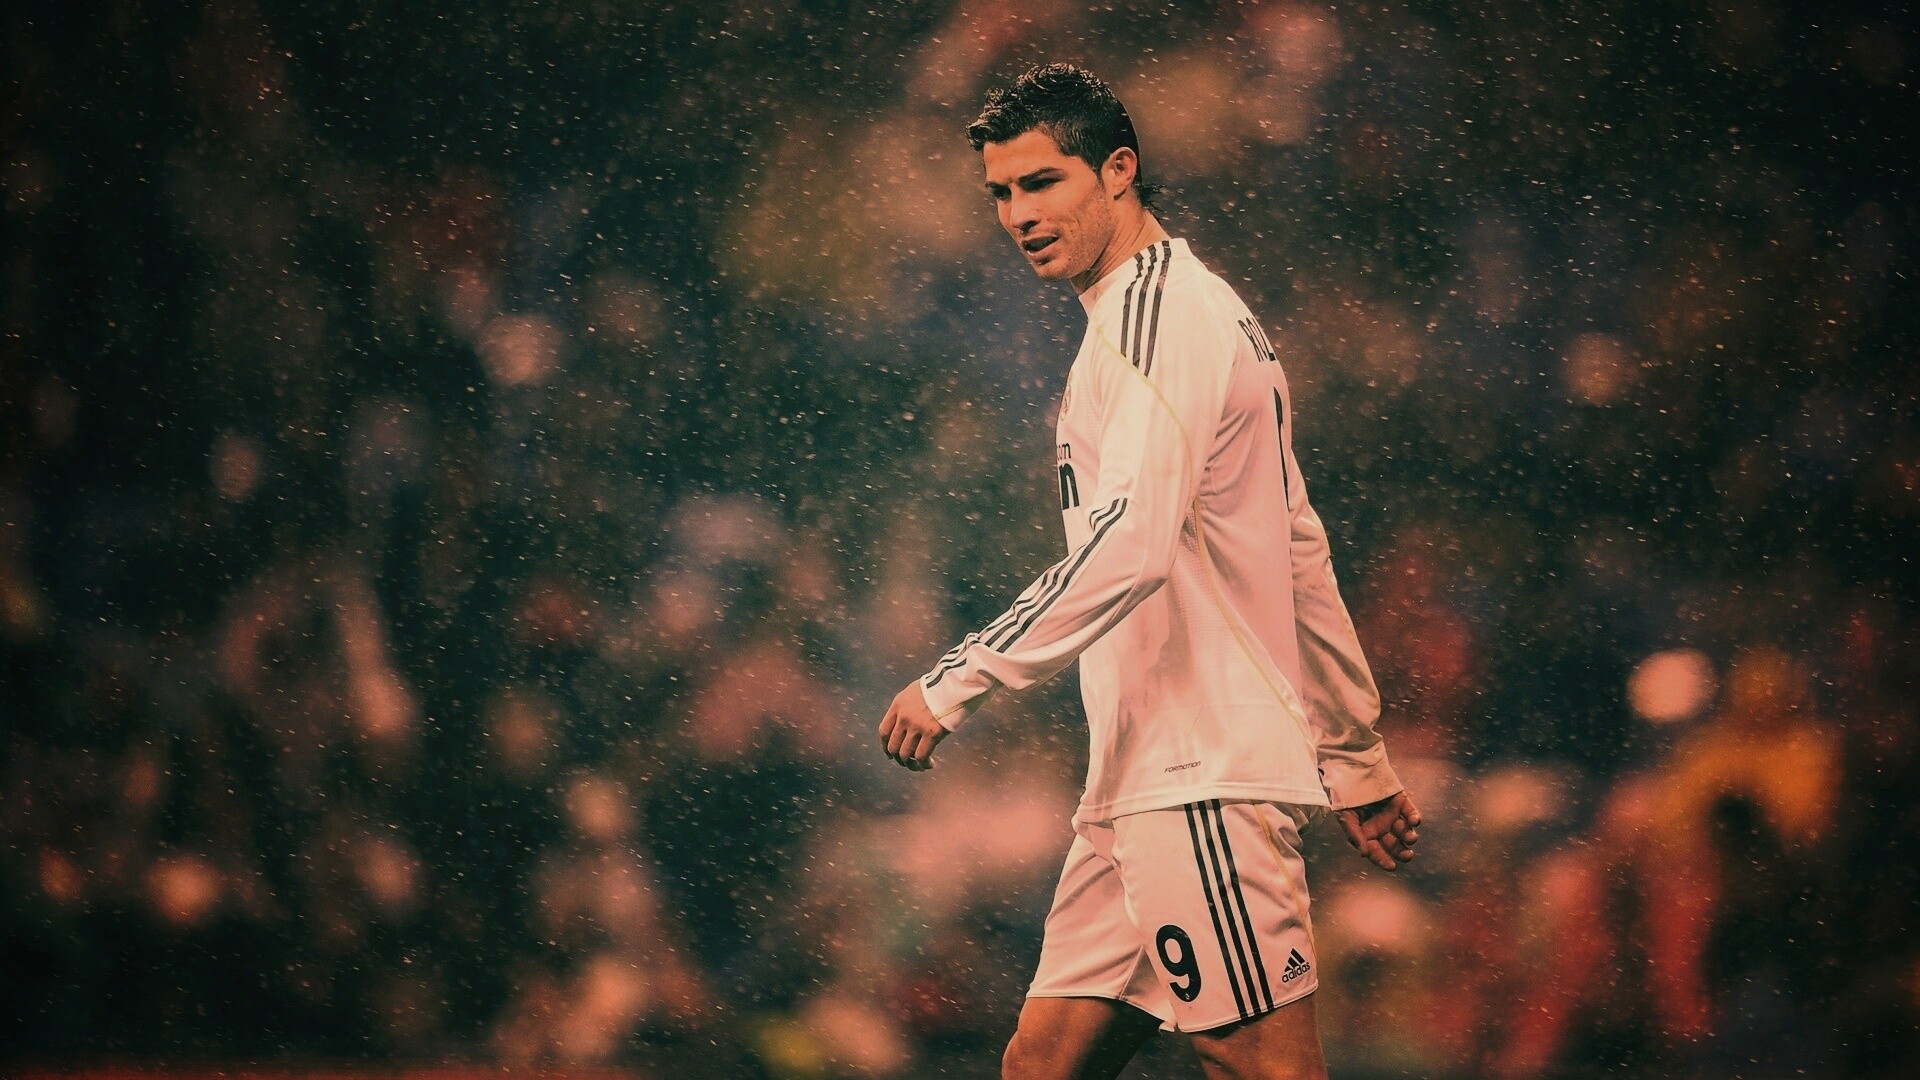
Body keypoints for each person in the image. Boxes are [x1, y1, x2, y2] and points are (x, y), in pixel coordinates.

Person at [877, 64, 1421, 1080]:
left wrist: (958, 679)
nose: (1018, 215)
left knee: (1264, 1067)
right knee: (1041, 1066)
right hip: (1141, 778)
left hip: (1196, 776)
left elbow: (1128, 545)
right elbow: (1297, 549)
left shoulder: (1154, 321)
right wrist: (1351, 753)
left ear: (1118, 170)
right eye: (1001, 193)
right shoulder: (1191, 311)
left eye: (1043, 182)